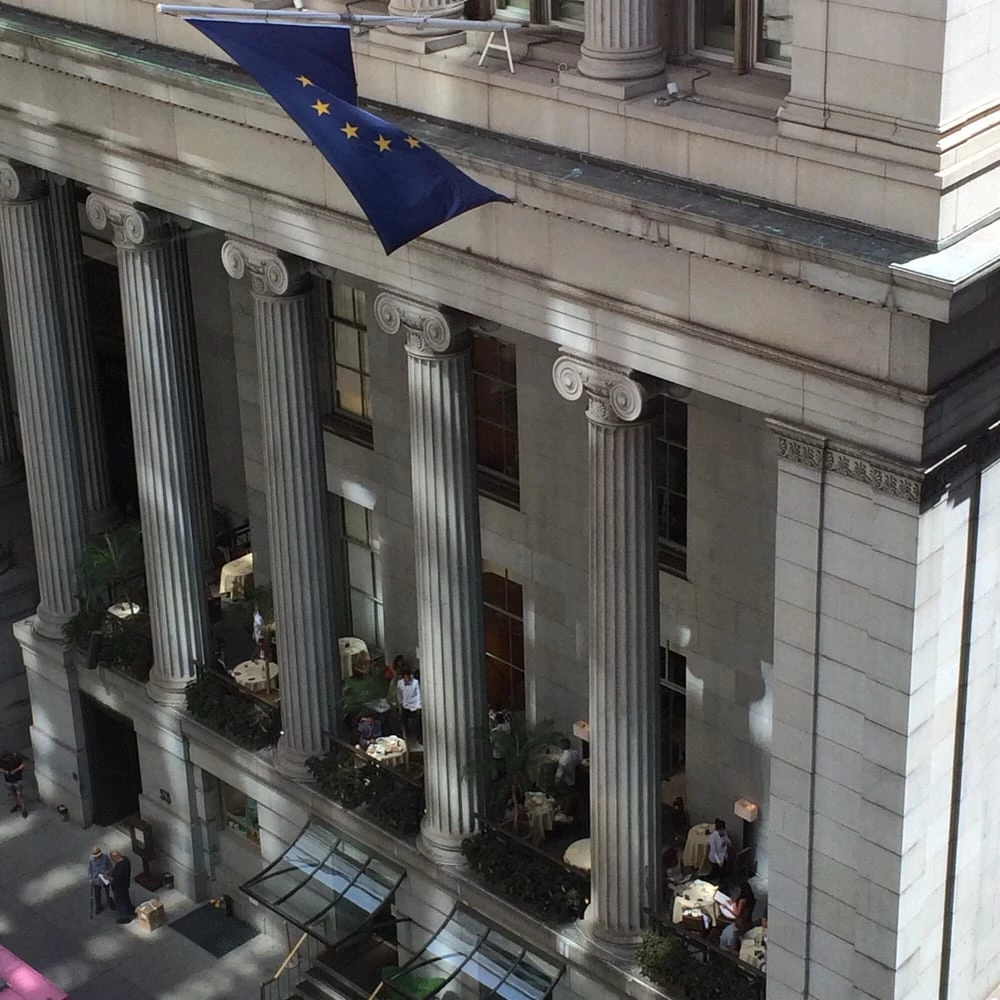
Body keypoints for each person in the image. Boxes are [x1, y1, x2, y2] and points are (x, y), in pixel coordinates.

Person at [109, 850, 135, 924]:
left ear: (115, 857)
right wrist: (112, 872)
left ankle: (124, 917)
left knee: (120, 902)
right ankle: (130, 910)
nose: (112, 860)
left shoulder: (120, 868)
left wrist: (107, 877)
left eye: (112, 858)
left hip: (119, 888)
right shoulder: (126, 860)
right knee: (126, 899)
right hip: (125, 885)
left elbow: (116, 880)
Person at [397, 667, 422, 744]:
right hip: (405, 705)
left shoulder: (415, 682)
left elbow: (418, 694)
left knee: (418, 720)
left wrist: (419, 705)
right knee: (402, 718)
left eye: (407, 677)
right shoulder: (400, 683)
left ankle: (419, 737)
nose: (406, 679)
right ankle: (405, 735)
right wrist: (401, 703)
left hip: (415, 705)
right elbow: (399, 693)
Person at [1, 750, 26, 818]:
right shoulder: (2, 760)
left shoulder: (16, 758)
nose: (5, 760)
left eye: (6, 759)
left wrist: (15, 770)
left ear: (8, 756)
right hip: (8, 780)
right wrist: (5, 771)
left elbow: (23, 765)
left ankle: (23, 809)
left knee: (19, 794)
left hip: (17, 779)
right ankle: (17, 805)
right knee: (13, 793)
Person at [88, 847, 113, 914]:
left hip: (105, 877)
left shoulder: (105, 857)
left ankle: (110, 902)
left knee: (109, 891)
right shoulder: (91, 859)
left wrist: (109, 872)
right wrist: (90, 878)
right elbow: (90, 870)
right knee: (97, 894)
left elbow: (110, 865)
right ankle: (98, 906)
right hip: (96, 878)